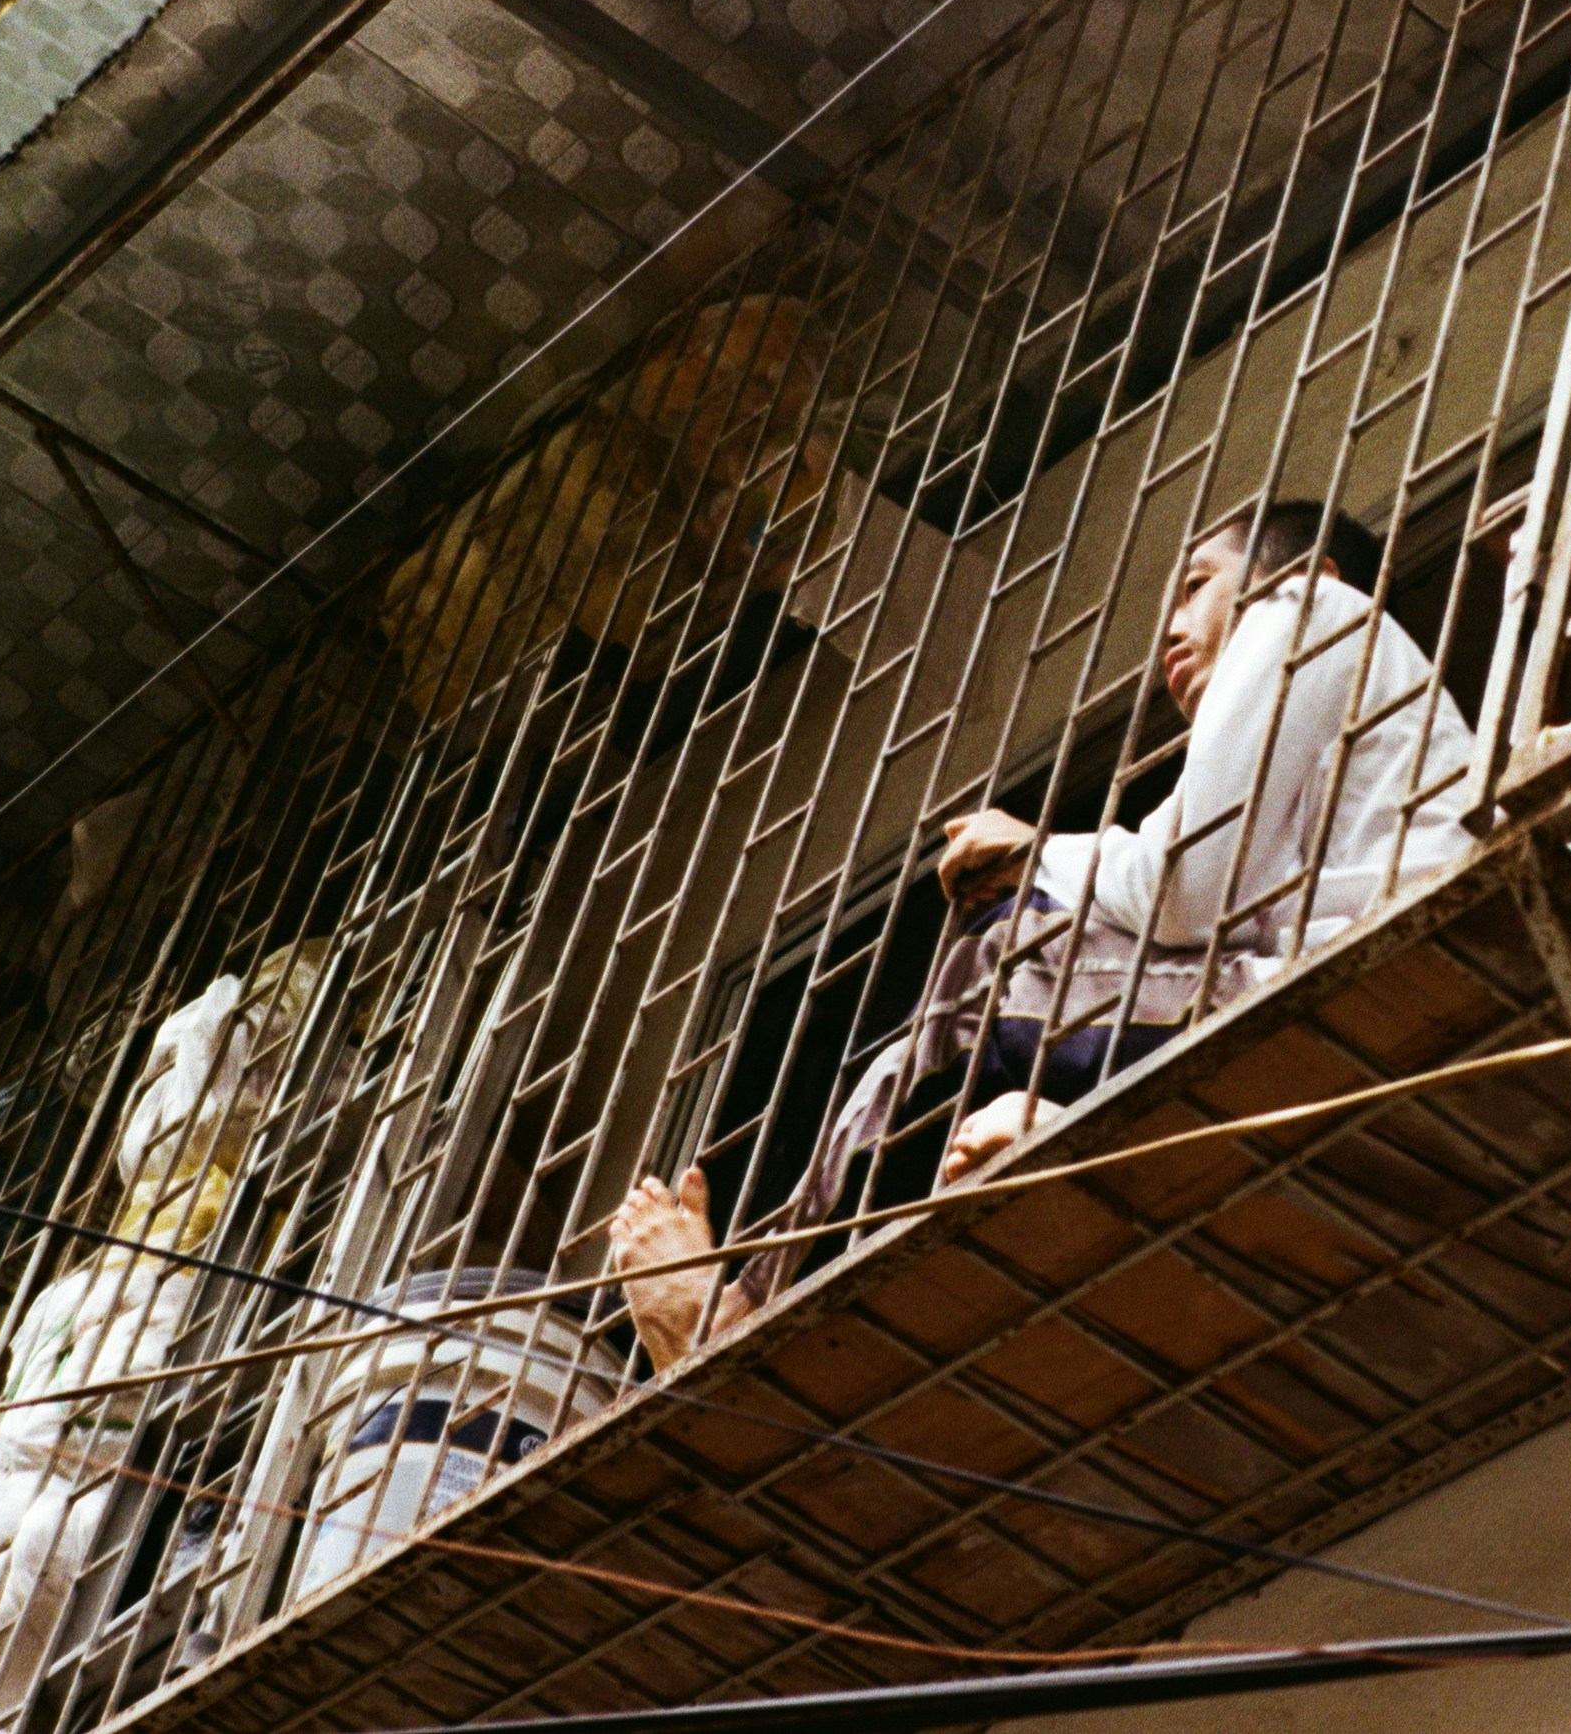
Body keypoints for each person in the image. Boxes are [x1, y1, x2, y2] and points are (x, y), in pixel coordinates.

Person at [611, 499, 1483, 1371]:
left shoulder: (1313, 613)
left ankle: (742, 1305)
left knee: (997, 965)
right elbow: (1192, 912)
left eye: (1195, 585)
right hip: (1352, 1017)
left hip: (1361, 973)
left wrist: (1037, 853)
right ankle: (1046, 1142)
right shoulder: (1340, 743)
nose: (1171, 630)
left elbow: (1179, 889)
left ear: (1303, 576)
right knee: (1031, 1015)